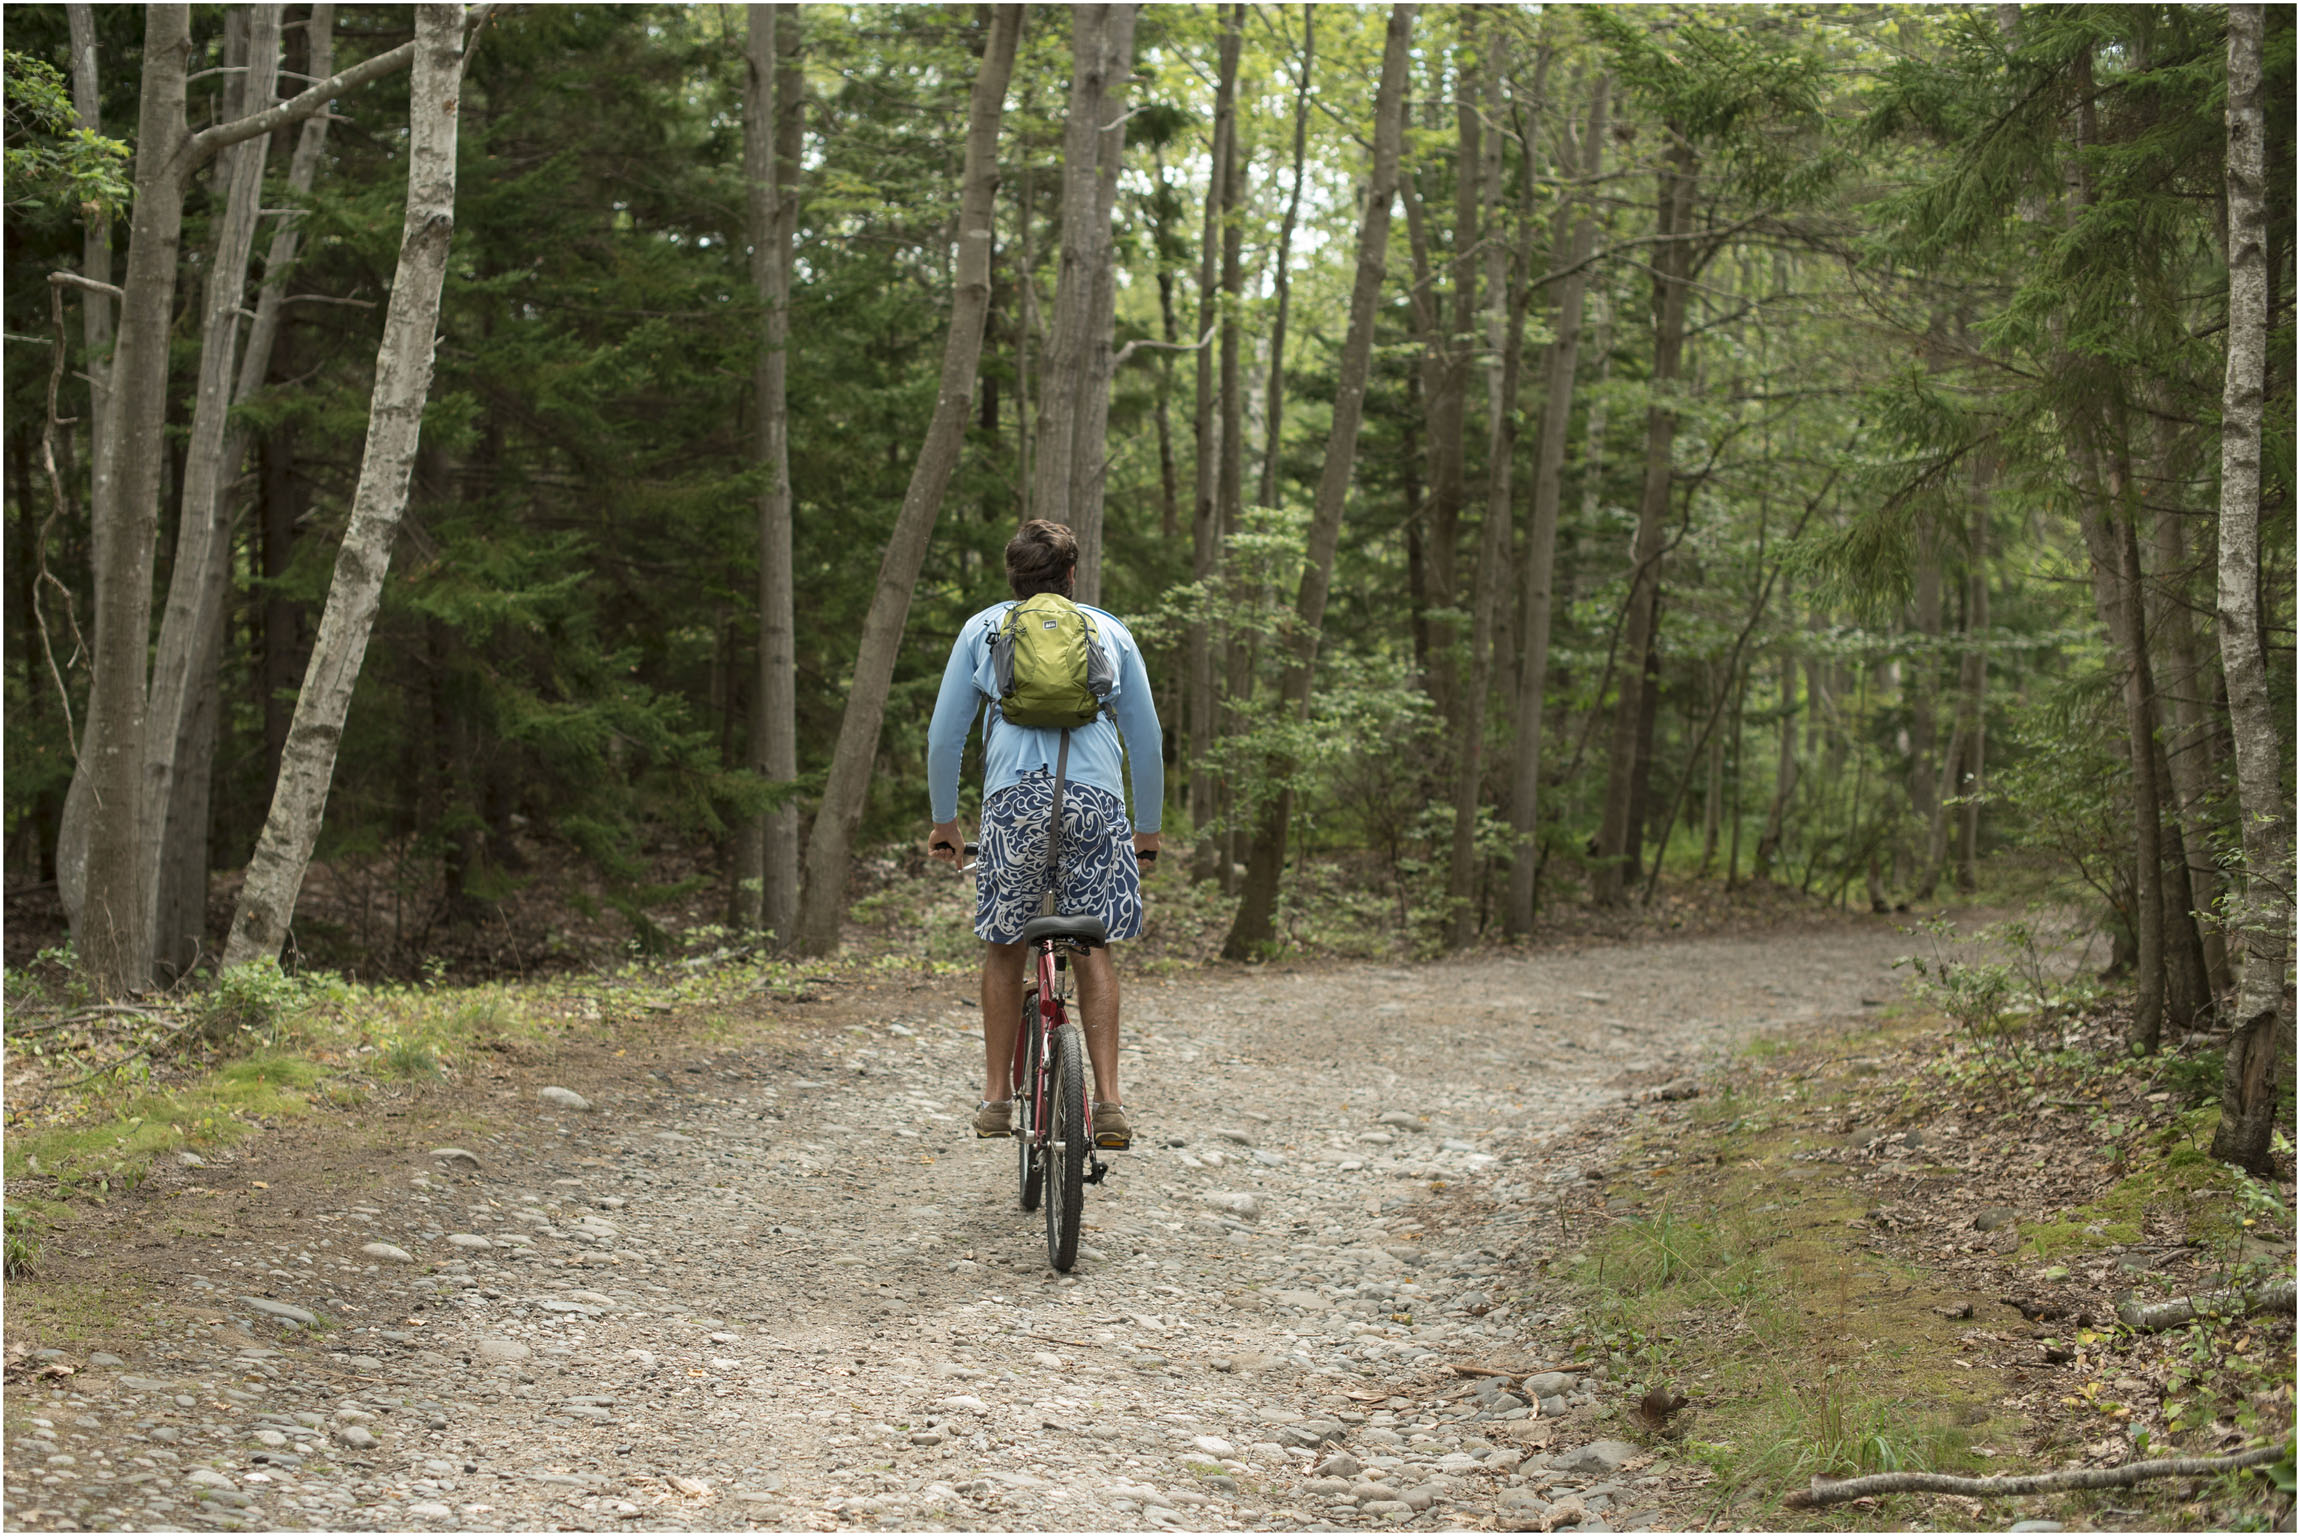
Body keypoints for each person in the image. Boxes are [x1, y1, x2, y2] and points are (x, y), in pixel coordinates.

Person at [926, 519, 1163, 1151]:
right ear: (1072, 574)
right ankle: (1109, 1103)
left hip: (1014, 803)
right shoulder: (1109, 630)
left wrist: (946, 822)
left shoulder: (983, 629)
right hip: (1097, 804)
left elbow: (945, 736)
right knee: (1097, 946)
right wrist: (1148, 831)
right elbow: (1146, 739)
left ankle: (997, 1100)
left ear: (1013, 575)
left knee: (1005, 948)